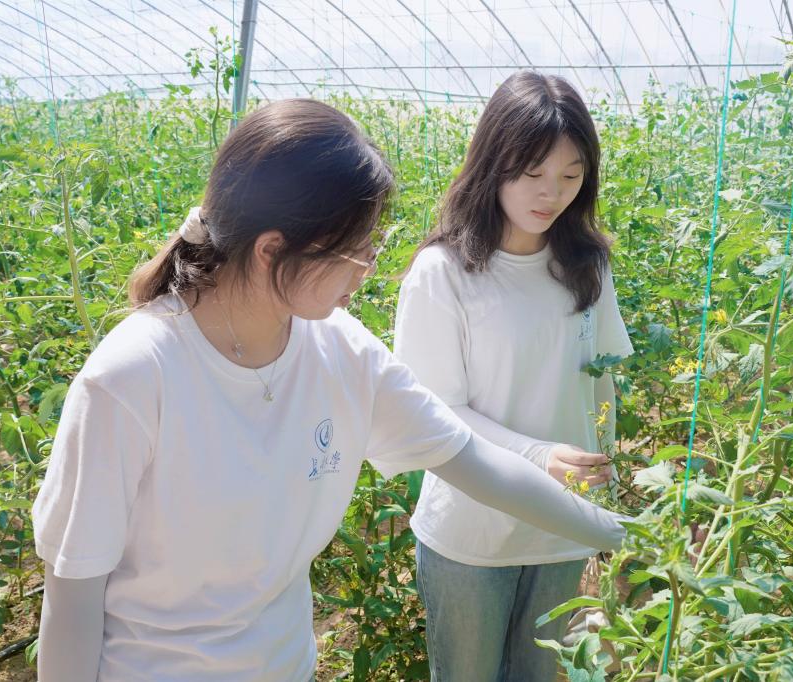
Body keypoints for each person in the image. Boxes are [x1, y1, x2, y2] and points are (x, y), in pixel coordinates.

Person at [32, 98, 630, 682]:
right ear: (272, 251)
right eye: (356, 249)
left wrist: (633, 539)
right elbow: (73, 594)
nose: (368, 268)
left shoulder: (340, 350)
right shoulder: (132, 378)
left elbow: (477, 465)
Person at [394, 72, 635, 681]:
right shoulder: (444, 272)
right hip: (471, 531)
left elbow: (599, 381)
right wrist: (537, 455)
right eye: (533, 172)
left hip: (561, 526)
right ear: (493, 163)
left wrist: (602, 486)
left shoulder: (586, 264)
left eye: (571, 175)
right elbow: (435, 411)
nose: (551, 193)